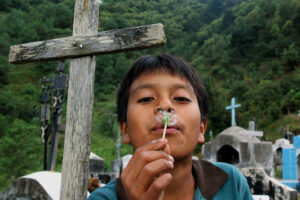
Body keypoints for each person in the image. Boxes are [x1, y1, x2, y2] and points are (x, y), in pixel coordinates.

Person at [88, 54, 253, 200]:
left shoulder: (229, 183)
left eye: (181, 98)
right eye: (146, 99)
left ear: (201, 129)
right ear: (125, 129)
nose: (165, 105)